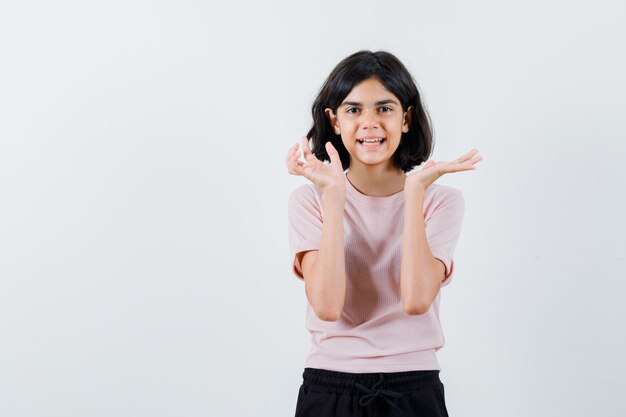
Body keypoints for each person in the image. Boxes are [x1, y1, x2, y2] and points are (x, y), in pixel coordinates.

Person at [285, 50, 482, 417]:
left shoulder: (439, 200)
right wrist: (333, 196)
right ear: (334, 120)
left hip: (414, 387)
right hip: (330, 386)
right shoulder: (309, 201)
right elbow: (327, 306)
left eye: (385, 109)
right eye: (354, 110)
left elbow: (417, 300)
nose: (370, 123)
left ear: (406, 118)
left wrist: (414, 194)